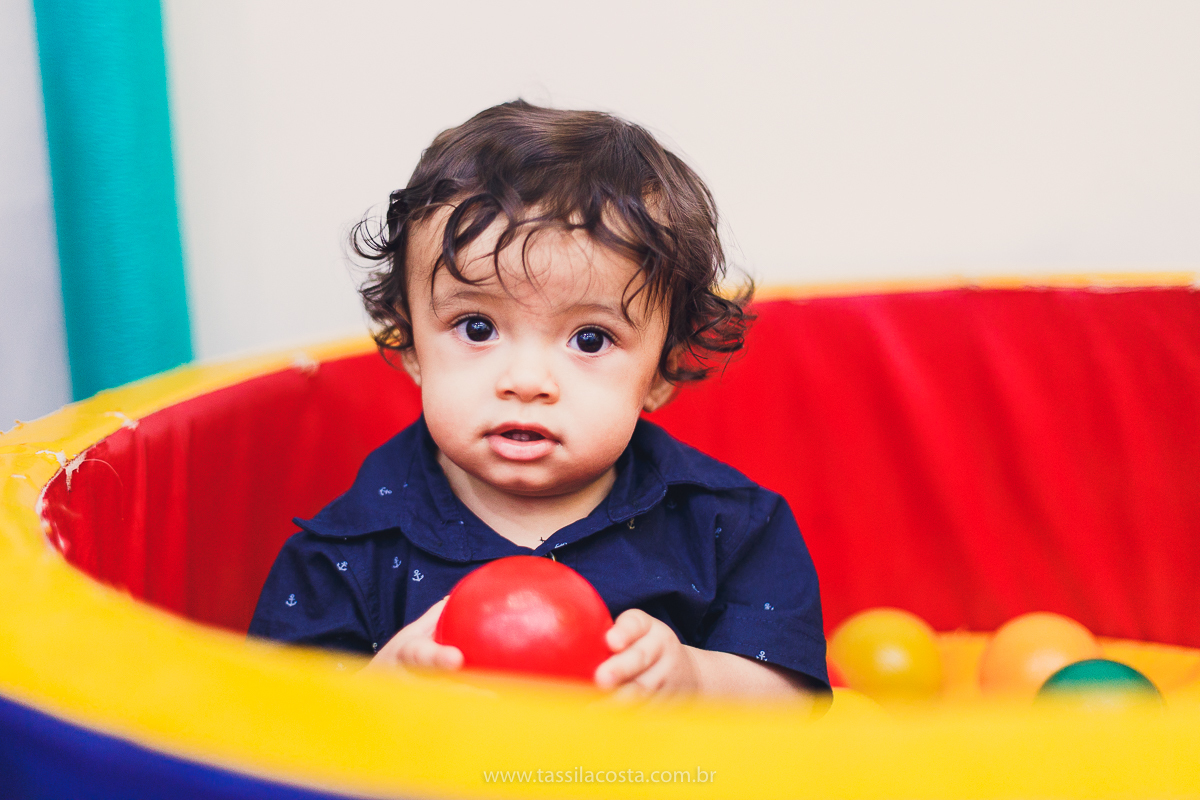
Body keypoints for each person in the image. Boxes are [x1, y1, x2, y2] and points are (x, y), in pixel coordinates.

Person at [249, 100, 827, 702]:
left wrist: (698, 681)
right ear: (410, 343)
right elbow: (266, 736)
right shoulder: (342, 554)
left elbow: (796, 701)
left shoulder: (728, 526)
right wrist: (378, 695)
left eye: (589, 339)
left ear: (661, 371)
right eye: (476, 328)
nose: (526, 380)